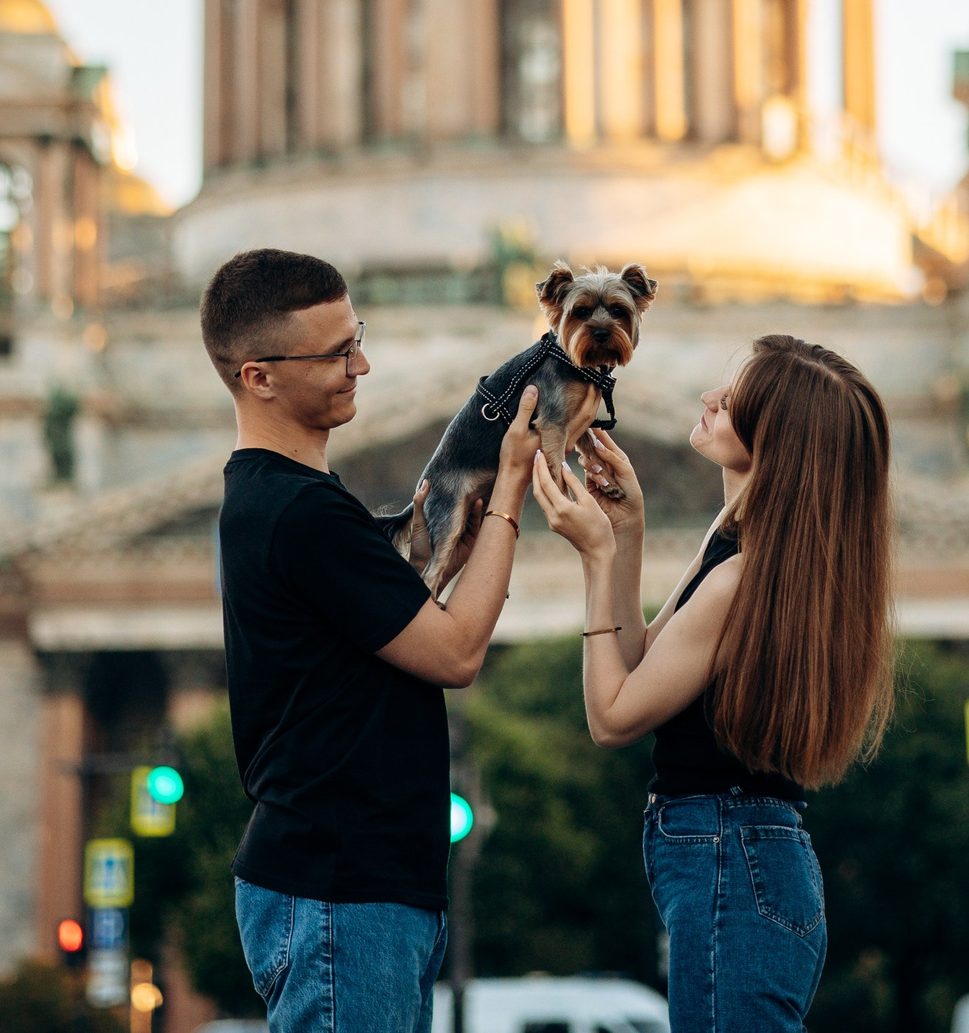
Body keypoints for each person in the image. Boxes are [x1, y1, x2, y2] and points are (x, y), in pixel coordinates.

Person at [203, 248, 542, 1033]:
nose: (362, 363)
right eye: (336, 353)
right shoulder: (304, 514)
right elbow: (455, 653)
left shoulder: (283, 501)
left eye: (357, 336)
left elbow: (386, 625)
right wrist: (510, 491)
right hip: (340, 892)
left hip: (352, 888)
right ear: (259, 376)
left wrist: (441, 544)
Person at [531, 333, 895, 1033]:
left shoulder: (740, 579)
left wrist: (595, 558)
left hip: (733, 856)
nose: (707, 399)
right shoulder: (733, 546)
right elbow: (638, 665)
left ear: (774, 440)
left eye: (731, 402)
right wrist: (627, 530)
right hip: (743, 856)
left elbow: (612, 716)